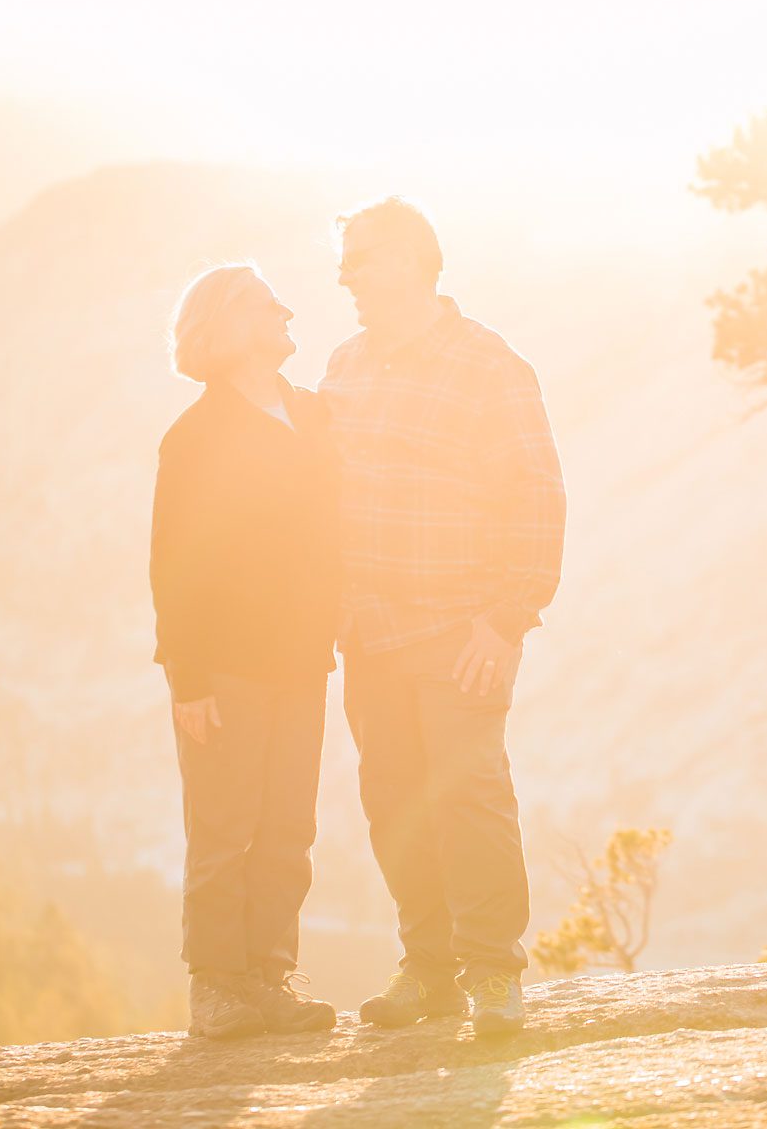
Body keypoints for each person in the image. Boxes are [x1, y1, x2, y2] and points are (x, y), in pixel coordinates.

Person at [321, 197, 566, 1038]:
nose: (344, 275)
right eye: (344, 260)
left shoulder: (487, 366)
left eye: (360, 258)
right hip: (368, 634)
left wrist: (505, 622)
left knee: (469, 795)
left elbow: (536, 495)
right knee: (394, 803)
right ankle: (428, 970)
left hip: (462, 629)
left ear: (414, 260)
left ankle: (493, 971)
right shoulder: (344, 366)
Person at [149, 263, 340, 1038]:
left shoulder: (313, 414)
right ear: (231, 326)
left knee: (288, 826)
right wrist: (187, 677)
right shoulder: (196, 436)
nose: (288, 311)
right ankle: (217, 989)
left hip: (303, 659)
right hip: (226, 668)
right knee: (226, 827)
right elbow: (174, 563)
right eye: (269, 304)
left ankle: (269, 977)